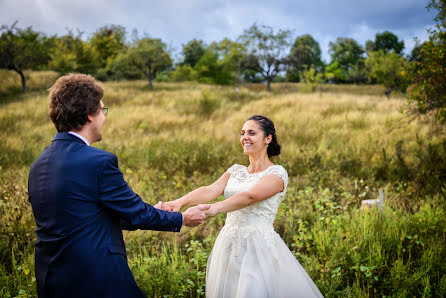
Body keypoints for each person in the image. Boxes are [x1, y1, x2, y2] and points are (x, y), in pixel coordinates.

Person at [28, 73, 210, 298]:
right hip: (97, 279)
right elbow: (137, 215)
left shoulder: (39, 163)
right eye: (102, 110)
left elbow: (84, 215)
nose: (104, 117)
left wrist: (151, 211)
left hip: (52, 281)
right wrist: (182, 219)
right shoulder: (98, 162)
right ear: (89, 115)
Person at [161, 115, 323, 297]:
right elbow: (210, 190)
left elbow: (250, 196)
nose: (245, 137)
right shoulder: (235, 170)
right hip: (228, 244)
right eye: (242, 133)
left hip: (258, 247)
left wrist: (213, 209)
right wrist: (179, 202)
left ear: (267, 139)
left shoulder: (277, 174)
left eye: (252, 133)